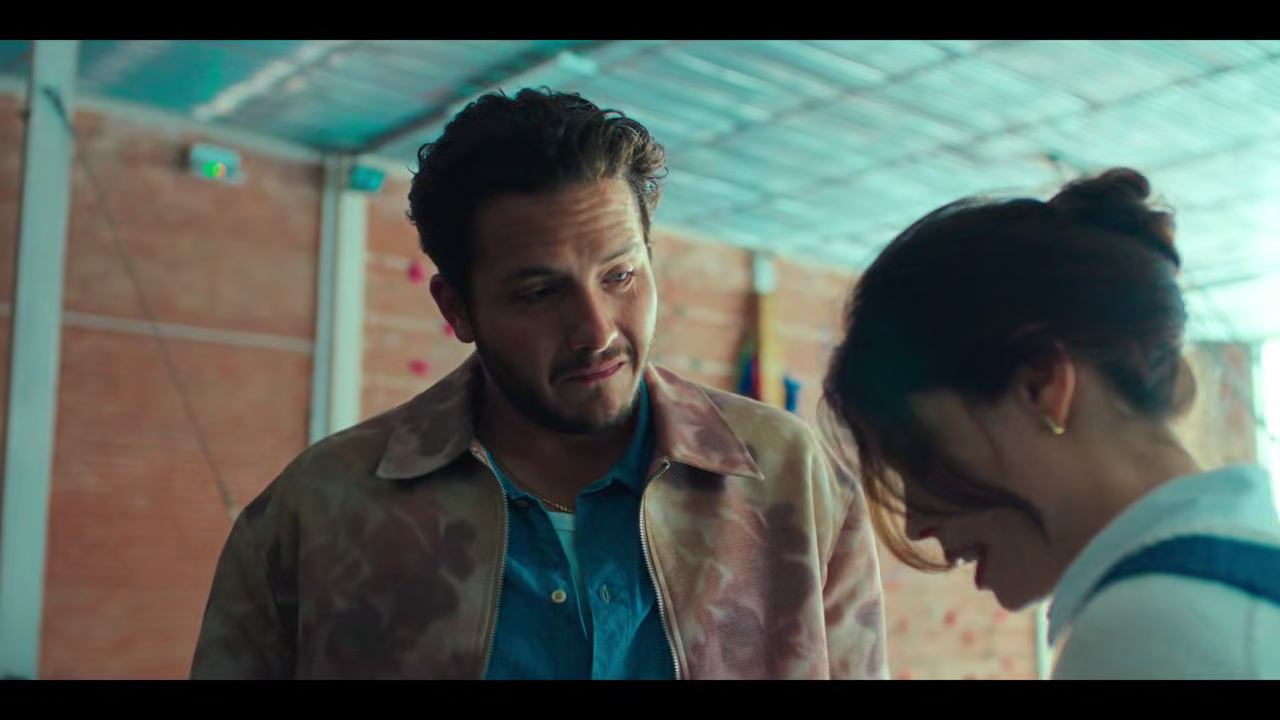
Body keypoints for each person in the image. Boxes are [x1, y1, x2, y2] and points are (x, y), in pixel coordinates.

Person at [190, 87, 888, 680]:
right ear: (456, 310)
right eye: (538, 293)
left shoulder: (790, 478)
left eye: (620, 276)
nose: (597, 331)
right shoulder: (320, 512)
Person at [820, 166, 1280, 680]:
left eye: (919, 453)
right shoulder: (1233, 585)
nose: (915, 524)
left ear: (1041, 385)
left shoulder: (1155, 629)